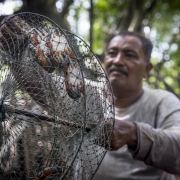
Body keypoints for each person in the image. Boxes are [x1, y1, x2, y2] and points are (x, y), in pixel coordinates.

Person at [92, 31, 180, 180]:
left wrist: (134, 133)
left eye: (129, 55)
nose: (117, 61)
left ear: (147, 69)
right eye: (112, 53)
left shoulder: (163, 101)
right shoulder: (86, 92)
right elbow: (43, 86)